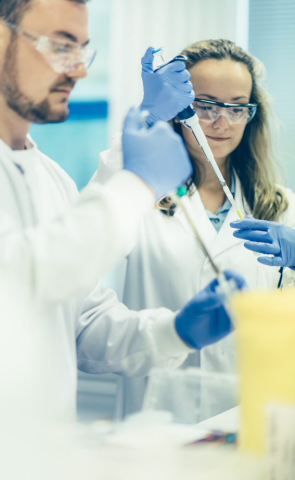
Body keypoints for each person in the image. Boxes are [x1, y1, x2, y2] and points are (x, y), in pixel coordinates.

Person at [0, 0, 246, 422]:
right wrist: (135, 183)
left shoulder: (53, 179)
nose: (80, 70)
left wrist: (173, 332)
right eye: (61, 46)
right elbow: (14, 286)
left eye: (84, 50)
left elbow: (81, 322)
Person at [95, 39, 295, 417]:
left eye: (237, 108)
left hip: (251, 419)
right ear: (177, 110)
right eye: (206, 106)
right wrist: (146, 120)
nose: (222, 122)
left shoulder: (281, 207)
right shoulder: (140, 192)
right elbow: (89, 237)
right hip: (157, 421)